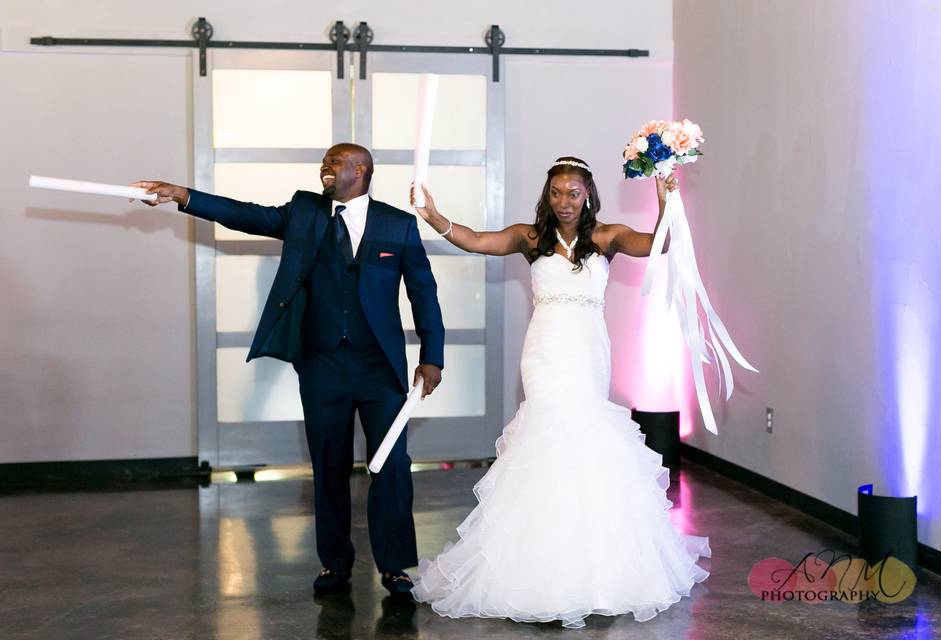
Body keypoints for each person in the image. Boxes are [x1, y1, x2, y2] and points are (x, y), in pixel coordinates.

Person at [408, 157, 710, 628]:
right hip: (544, 350)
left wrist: (664, 194)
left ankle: (593, 562)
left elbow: (659, 244)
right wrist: (433, 214)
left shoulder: (606, 237)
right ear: (546, 195)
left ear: (587, 194)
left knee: (586, 437)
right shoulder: (530, 238)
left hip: (589, 351)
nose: (564, 201)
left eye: (572, 193)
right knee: (546, 435)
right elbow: (475, 240)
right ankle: (537, 564)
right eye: (556, 193)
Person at [132, 143, 444, 597]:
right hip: (321, 365)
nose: (325, 166)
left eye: (335, 161)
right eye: (325, 161)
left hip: (381, 369)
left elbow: (424, 292)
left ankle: (395, 566)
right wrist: (184, 195)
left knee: (393, 466)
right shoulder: (304, 211)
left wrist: (431, 356)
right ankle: (335, 564)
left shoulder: (398, 225)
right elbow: (245, 214)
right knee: (329, 466)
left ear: (361, 170)